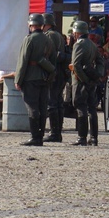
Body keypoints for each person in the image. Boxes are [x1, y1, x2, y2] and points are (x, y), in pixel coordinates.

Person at [14, 13, 54, 146]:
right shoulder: (48, 39)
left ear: (31, 25)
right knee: (43, 107)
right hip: (44, 76)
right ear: (42, 25)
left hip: (30, 77)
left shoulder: (29, 39)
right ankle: (40, 135)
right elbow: (52, 60)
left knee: (32, 107)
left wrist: (18, 79)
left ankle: (34, 137)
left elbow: (23, 60)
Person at [70, 20, 99, 146]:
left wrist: (83, 79)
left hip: (80, 80)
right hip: (91, 80)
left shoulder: (79, 44)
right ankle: (93, 137)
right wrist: (97, 74)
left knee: (80, 106)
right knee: (92, 109)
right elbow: (100, 61)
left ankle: (81, 137)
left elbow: (76, 64)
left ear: (77, 32)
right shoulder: (92, 44)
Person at [42, 13, 67, 143]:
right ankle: (57, 132)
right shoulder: (58, 35)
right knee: (57, 103)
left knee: (52, 103)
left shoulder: (49, 35)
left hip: (54, 72)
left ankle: (54, 133)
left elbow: (49, 54)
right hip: (60, 72)